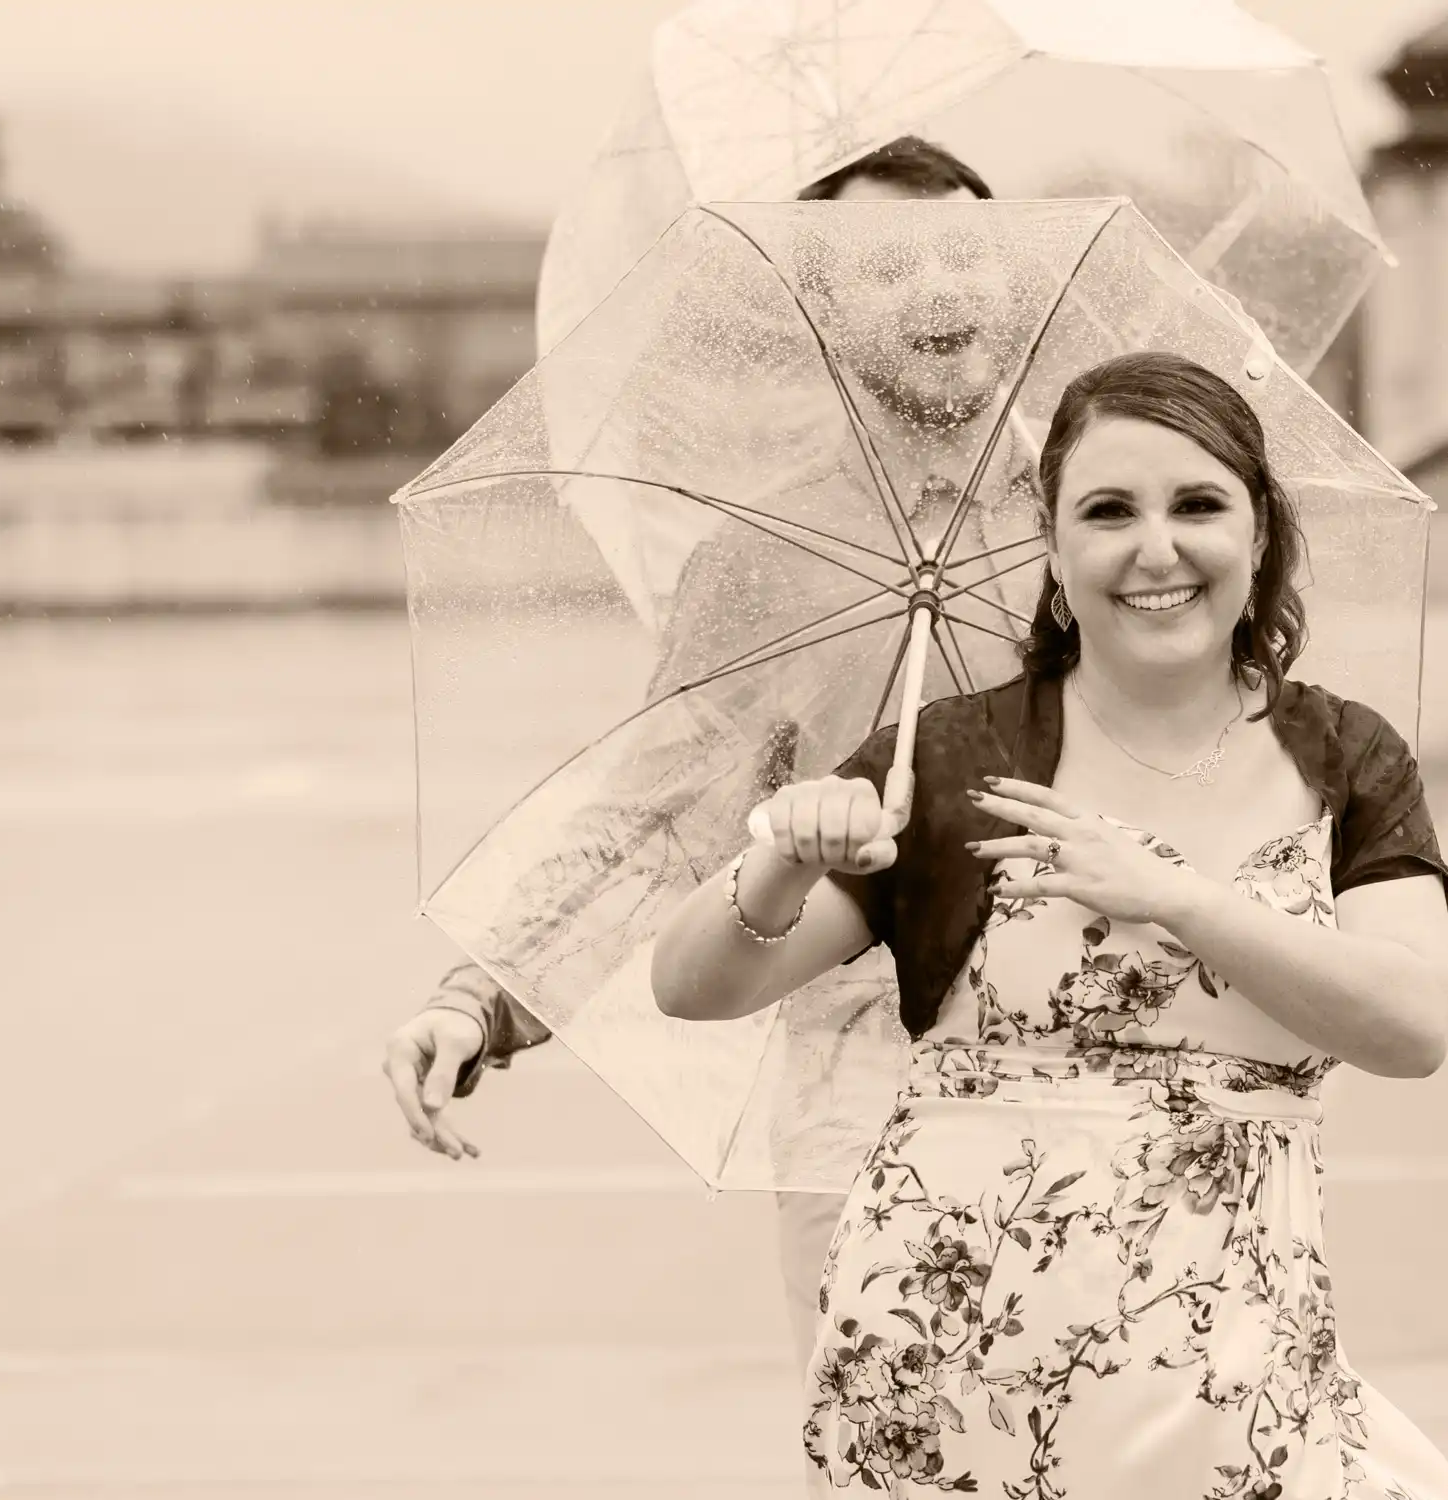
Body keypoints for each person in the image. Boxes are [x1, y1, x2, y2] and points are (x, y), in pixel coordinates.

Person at [651, 351, 1448, 1495]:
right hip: (953, 1357)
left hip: (1235, 1358)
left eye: (1197, 505)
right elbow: (693, 986)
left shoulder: (1345, 757)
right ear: (1052, 547)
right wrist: (779, 858)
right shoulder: (953, 758)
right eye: (1107, 512)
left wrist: (1175, 896)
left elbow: (1411, 1026)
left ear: (1262, 528)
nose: (1156, 549)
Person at [381, 135, 992, 1364]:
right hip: (861, 1093)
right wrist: (484, 998)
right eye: (886, 268)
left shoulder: (1111, 506)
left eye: (967, 252)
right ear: (821, 308)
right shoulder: (763, 561)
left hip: (1112, 1081)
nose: (939, 291)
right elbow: (656, 815)